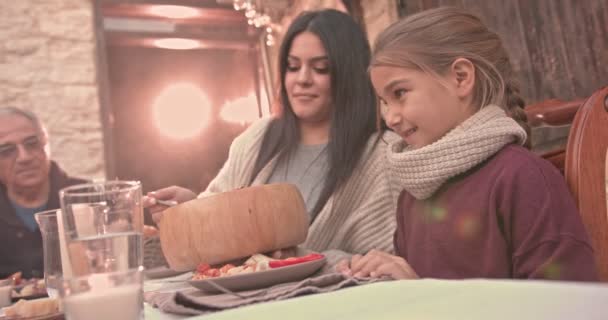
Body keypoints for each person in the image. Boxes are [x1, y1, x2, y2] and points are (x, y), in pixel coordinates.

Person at [337, 7, 597, 281]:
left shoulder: (524, 179)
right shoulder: (412, 198)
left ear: (461, 78)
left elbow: (565, 305)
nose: (389, 118)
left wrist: (423, 295)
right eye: (384, 101)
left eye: (399, 93)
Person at [145, 9, 399, 255]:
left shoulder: (383, 155)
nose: (302, 79)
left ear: (349, 74)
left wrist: (305, 259)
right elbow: (219, 220)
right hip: (244, 298)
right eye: (292, 66)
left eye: (321, 68)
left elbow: (387, 260)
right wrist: (191, 209)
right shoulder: (258, 137)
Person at [0, 107, 87, 279]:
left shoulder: (87, 198)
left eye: (32, 144)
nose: (24, 157)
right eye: (6, 150)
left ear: (47, 144)